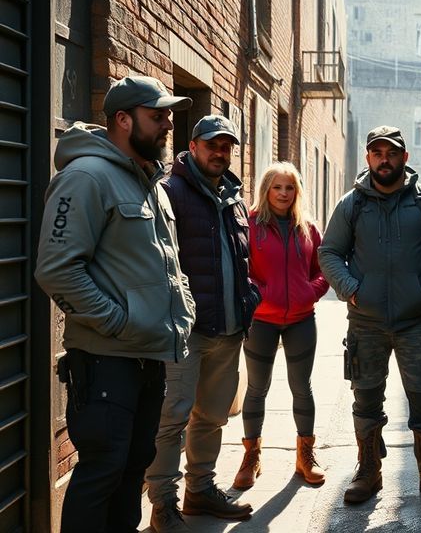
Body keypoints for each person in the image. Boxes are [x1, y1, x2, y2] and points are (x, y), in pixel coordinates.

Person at [34, 75, 196, 533]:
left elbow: (169, 266)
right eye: (158, 115)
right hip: (106, 359)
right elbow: (56, 270)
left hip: (148, 356)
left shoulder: (153, 185)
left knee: (133, 471)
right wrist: (118, 321)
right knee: (102, 472)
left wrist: (182, 310)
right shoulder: (86, 177)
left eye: (168, 114)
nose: (168, 123)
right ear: (123, 120)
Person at [318, 125, 421, 508]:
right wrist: (352, 289)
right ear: (368, 158)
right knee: (365, 399)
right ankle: (368, 470)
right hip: (364, 324)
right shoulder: (352, 204)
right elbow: (329, 252)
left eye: (392, 152)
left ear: (404, 156)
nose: (385, 159)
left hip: (415, 322)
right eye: (377, 153)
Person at [145, 115, 261, 532]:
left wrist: (249, 297)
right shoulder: (170, 192)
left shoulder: (232, 196)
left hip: (228, 330)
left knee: (211, 417)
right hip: (184, 331)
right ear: (192, 146)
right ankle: (162, 503)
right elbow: (156, 261)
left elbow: (241, 259)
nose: (220, 153)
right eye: (212, 145)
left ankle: (200, 490)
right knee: (172, 418)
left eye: (226, 146)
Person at [232, 161, 330, 490]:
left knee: (302, 388)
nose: (284, 193)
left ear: (296, 191)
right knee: (257, 389)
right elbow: (239, 270)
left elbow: (322, 270)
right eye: (277, 187)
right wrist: (261, 294)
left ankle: (305, 455)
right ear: (267, 189)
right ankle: (251, 457)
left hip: (301, 319)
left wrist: (309, 292)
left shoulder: (309, 228)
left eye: (290, 187)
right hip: (261, 321)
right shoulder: (250, 224)